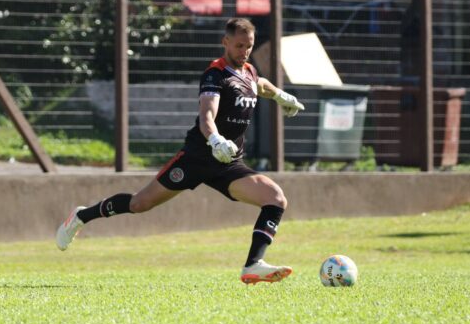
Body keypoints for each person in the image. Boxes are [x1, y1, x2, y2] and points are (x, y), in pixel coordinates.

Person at [56, 18, 305, 284]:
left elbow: (259, 84)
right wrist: (216, 140)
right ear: (225, 42)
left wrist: (281, 96)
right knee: (140, 203)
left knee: (275, 198)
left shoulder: (249, 71)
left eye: (249, 46)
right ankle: (81, 216)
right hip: (197, 157)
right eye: (239, 45)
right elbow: (206, 115)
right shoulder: (215, 74)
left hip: (228, 164)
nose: (244, 51)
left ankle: (253, 265)